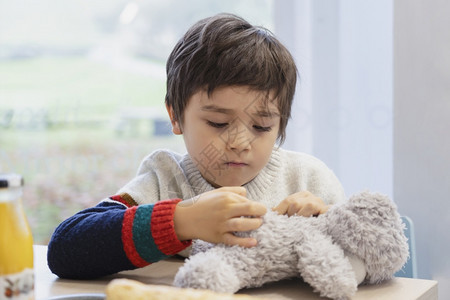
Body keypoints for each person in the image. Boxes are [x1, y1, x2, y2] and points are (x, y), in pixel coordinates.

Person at [47, 13, 346, 280]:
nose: (240, 143)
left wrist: (329, 221)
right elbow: (66, 247)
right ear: (175, 117)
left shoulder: (308, 178)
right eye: (218, 123)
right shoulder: (164, 181)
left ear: (280, 125)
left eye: (261, 126)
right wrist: (180, 221)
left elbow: (373, 255)